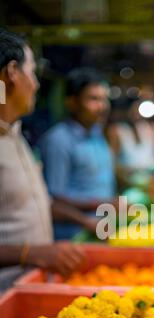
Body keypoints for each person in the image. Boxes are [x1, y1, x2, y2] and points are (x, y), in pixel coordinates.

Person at [0, 28, 87, 282]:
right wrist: (30, 253)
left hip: (28, 288)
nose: (37, 84)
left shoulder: (15, 134)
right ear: (12, 73)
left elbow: (37, 203)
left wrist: (88, 221)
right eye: (33, 72)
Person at [38, 67, 116, 240]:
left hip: (100, 230)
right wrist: (98, 209)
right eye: (93, 99)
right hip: (73, 237)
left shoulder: (97, 134)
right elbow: (53, 201)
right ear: (72, 102)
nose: (102, 106)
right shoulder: (58, 141)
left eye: (104, 99)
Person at [107, 98, 154, 189]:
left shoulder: (150, 129)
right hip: (128, 184)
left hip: (150, 182)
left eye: (138, 108)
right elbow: (111, 162)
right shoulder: (117, 131)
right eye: (133, 109)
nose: (136, 112)